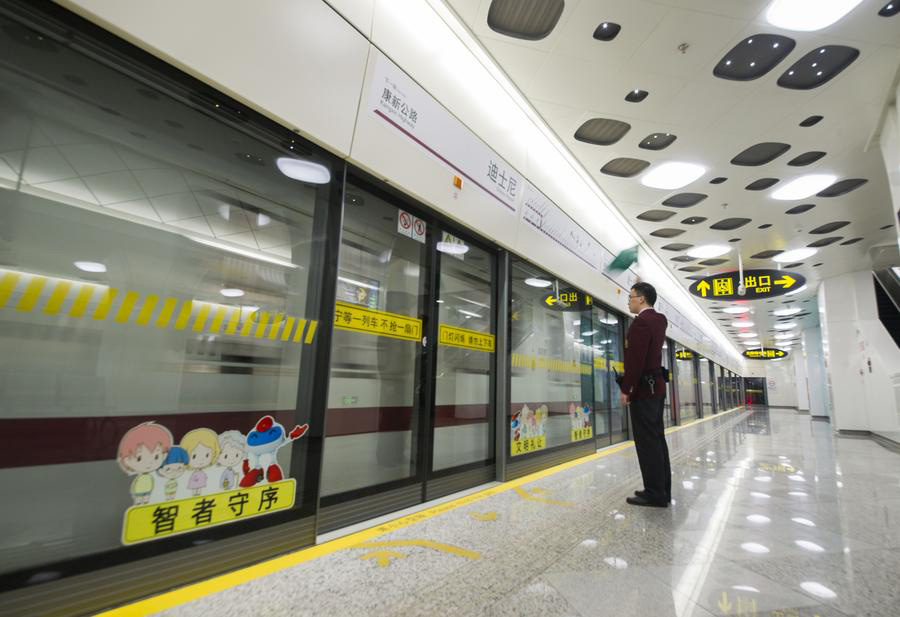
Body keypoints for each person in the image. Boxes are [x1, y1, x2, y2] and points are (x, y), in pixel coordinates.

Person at [619, 282, 671, 507]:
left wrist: (626, 388)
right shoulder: (659, 320)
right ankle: (662, 490)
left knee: (647, 442)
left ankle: (654, 493)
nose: (628, 301)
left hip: (643, 390)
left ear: (641, 299)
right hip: (657, 387)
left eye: (631, 297)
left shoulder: (641, 323)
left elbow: (635, 361)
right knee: (657, 439)